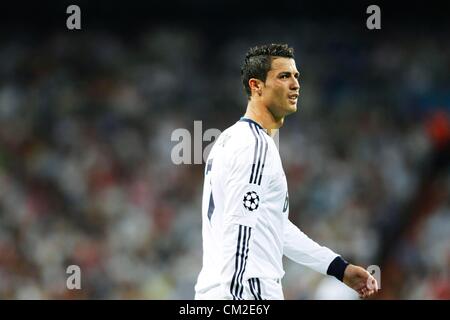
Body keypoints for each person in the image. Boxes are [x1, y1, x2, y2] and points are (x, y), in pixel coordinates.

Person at [194, 44, 379, 300]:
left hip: (218, 291)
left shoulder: (229, 139)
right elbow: (240, 227)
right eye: (284, 76)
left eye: (296, 76)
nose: (295, 84)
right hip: (246, 291)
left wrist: (339, 268)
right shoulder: (255, 145)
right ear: (256, 86)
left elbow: (274, 226)